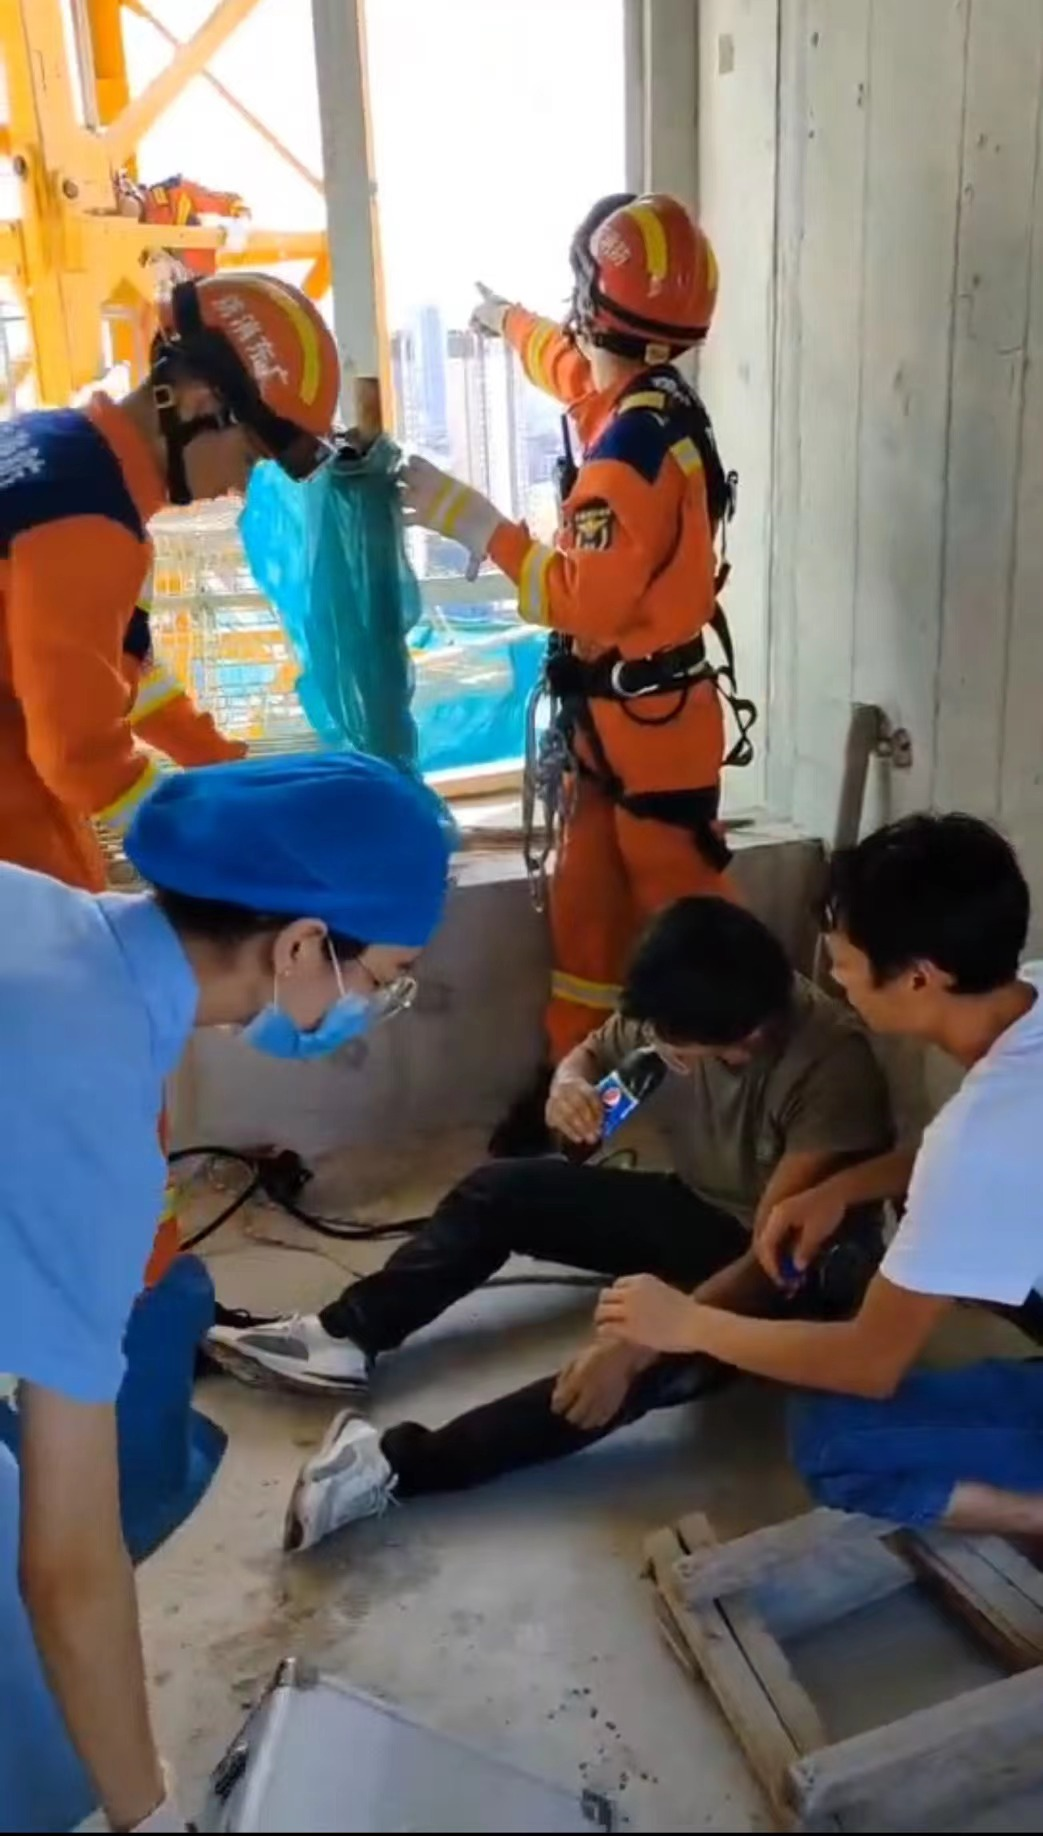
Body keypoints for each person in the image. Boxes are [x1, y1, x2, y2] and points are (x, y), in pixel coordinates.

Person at [0, 752, 451, 1834]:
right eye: (382, 977)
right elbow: (69, 1561)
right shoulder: (89, 1108)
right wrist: (146, 1815)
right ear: (299, 946)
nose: (375, 1004)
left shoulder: (36, 910)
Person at [208, 898, 893, 1552]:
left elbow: (770, 1260)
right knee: (499, 1191)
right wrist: (569, 1086)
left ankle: (393, 1468)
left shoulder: (830, 1065)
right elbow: (592, 1054)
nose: (661, 1051)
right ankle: (346, 1335)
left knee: (618, 1373)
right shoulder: (690, 1004)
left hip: (787, 1271)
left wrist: (645, 1342)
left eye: (681, 1050)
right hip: (701, 1208)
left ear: (742, 1041)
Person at [0, 265, 342, 1284]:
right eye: (250, 450)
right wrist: (223, 857)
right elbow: (79, 754)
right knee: (107, 1049)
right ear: (191, 397)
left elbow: (124, 677)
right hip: (15, 814)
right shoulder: (87, 522)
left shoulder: (65, 463)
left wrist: (232, 779)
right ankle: (137, 1307)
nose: (243, 484)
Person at [400, 193, 753, 1155]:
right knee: (586, 921)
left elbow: (580, 600)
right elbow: (564, 364)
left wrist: (469, 520)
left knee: (693, 935)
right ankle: (579, 1109)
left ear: (592, 301)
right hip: (618, 722)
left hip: (651, 725)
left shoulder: (629, 454)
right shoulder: (639, 406)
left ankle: (761, 1107)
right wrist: (501, 319)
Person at [594, 814, 1043, 1540]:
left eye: (843, 962)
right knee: (926, 1216)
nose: (832, 978)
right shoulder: (1029, 999)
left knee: (835, 1439)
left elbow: (869, 1364)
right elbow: (999, 1159)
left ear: (920, 976)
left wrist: (687, 1324)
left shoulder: (973, 1142)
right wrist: (841, 1188)